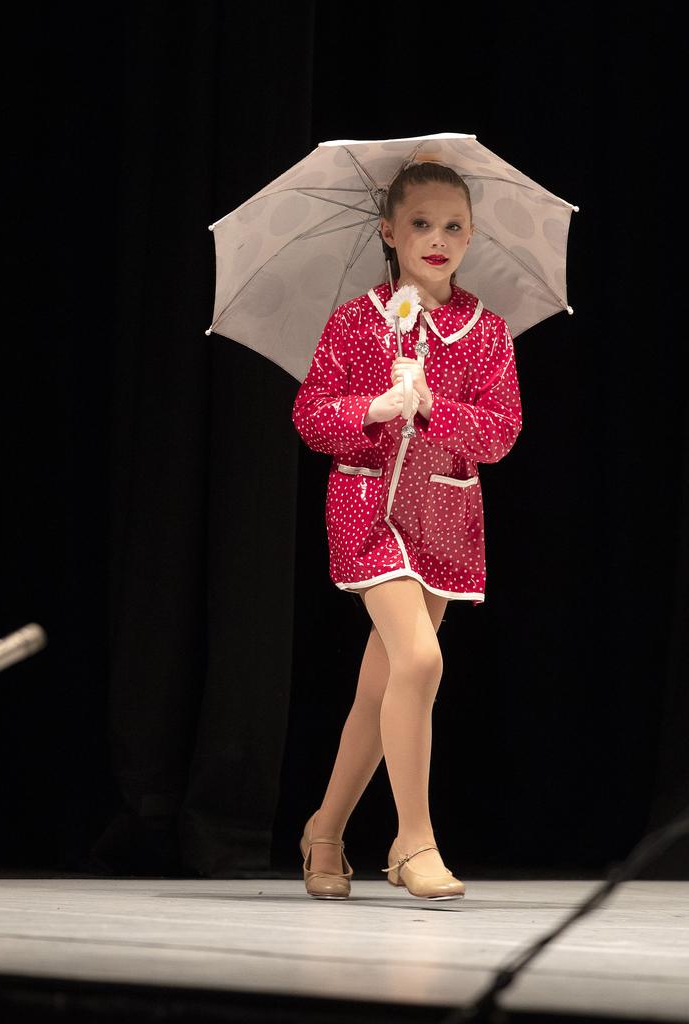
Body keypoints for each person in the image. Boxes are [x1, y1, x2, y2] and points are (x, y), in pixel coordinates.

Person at [291, 160, 523, 900]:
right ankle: (412, 841)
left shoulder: (486, 332)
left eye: (453, 225)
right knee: (420, 663)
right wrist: (376, 410)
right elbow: (310, 416)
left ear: (472, 236)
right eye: (420, 224)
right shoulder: (358, 322)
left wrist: (432, 410)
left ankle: (324, 830)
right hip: (367, 513)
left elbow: (501, 432)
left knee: (382, 685)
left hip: (443, 518)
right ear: (388, 232)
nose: (437, 239)